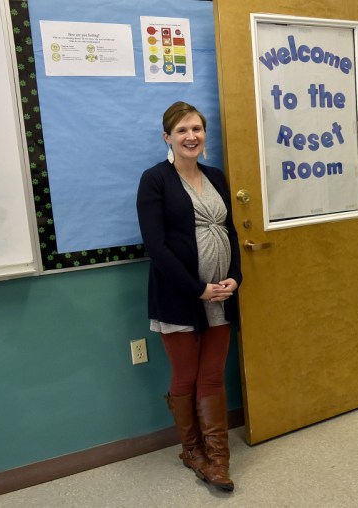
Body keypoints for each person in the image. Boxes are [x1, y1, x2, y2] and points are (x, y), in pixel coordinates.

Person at [136, 101, 242, 492]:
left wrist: (234, 278)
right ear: (167, 137)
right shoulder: (155, 180)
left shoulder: (215, 176)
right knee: (187, 375)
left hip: (220, 296)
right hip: (179, 295)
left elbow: (229, 232)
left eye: (196, 129)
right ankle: (191, 450)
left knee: (212, 375)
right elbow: (157, 246)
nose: (191, 136)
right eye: (182, 130)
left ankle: (218, 459)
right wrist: (197, 288)